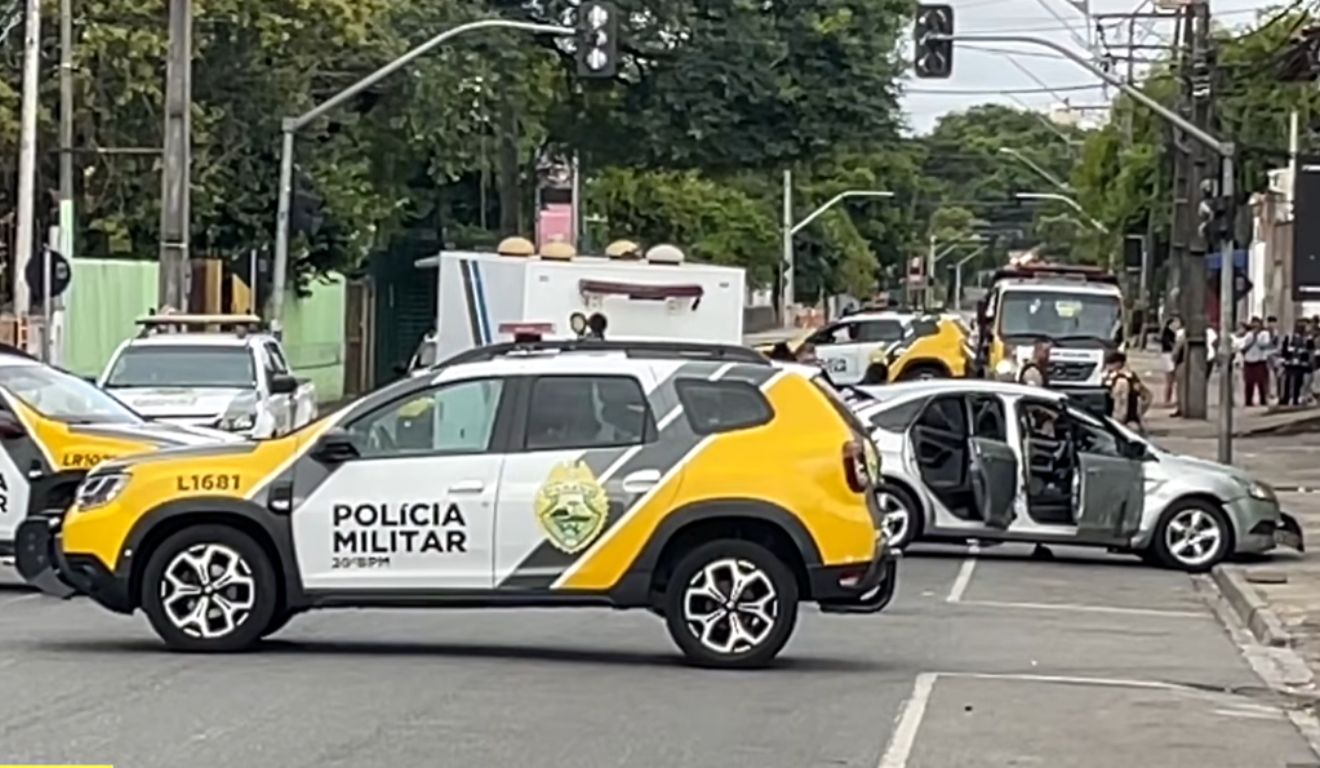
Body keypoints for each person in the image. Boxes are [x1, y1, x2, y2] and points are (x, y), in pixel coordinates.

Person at [1101, 351, 1151, 432]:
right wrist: (1140, 412)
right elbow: (1147, 397)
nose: (1108, 366)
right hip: (1132, 419)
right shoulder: (1131, 376)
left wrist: (1118, 420)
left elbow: (1121, 403)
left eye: (1110, 363)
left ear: (1118, 363)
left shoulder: (1120, 379)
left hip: (1120, 420)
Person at [1281, 321, 1315, 407]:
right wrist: (1285, 359)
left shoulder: (1308, 339)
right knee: (1287, 380)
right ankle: (1286, 398)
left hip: (1301, 363)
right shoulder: (1289, 337)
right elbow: (1284, 349)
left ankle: (1295, 398)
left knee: (1298, 381)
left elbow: (1310, 351)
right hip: (1290, 362)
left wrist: (1308, 361)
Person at [1239, 317, 1270, 407]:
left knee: (1261, 382)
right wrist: (1252, 337)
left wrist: (1257, 337)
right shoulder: (1249, 334)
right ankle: (1248, 400)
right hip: (1249, 360)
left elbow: (1264, 345)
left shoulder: (1265, 334)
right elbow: (1243, 345)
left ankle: (1263, 400)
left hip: (1260, 360)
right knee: (1249, 382)